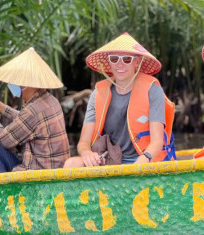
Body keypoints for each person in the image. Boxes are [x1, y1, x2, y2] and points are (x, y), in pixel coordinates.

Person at [64, 32, 176, 168]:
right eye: (114, 59)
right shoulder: (98, 93)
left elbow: (157, 141)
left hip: (143, 158)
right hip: (111, 158)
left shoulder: (152, 89)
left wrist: (144, 159)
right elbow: (83, 142)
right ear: (109, 63)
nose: (120, 64)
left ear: (137, 62)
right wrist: (87, 153)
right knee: (71, 163)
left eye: (127, 59)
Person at [0, 47, 70, 173]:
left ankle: (2, 190)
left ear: (25, 85)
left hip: (39, 175)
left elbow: (3, 140)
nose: (14, 86)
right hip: (49, 169)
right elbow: (23, 119)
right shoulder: (51, 100)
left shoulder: (33, 111)